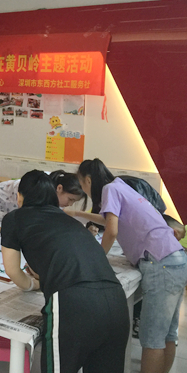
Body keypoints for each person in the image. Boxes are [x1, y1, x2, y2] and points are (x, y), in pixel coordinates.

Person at [1, 170, 130, 373]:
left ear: (20, 196)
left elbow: (12, 270)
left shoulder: (14, 218)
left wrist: (33, 285)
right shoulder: (69, 221)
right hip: (116, 300)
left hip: (76, 303)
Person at [77, 159, 187, 373]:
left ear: (88, 180)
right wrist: (76, 214)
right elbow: (110, 220)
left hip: (160, 263)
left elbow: (112, 231)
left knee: (152, 338)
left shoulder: (109, 190)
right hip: (176, 259)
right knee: (167, 334)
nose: (84, 191)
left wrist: (97, 259)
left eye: (82, 185)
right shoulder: (120, 185)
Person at [0, 170, 86, 223]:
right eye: (70, 199)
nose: (70, 204)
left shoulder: (53, 190)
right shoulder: (39, 188)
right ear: (59, 188)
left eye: (74, 202)